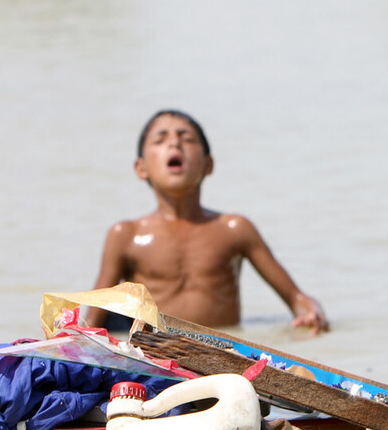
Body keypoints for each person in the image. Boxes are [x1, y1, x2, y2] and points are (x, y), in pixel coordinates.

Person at [84, 109, 328, 333]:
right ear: (141, 168)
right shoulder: (126, 236)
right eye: (160, 140)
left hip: (223, 351)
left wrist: (312, 313)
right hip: (158, 357)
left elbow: (297, 299)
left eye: (187, 138)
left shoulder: (235, 230)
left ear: (208, 164)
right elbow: (91, 324)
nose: (174, 142)